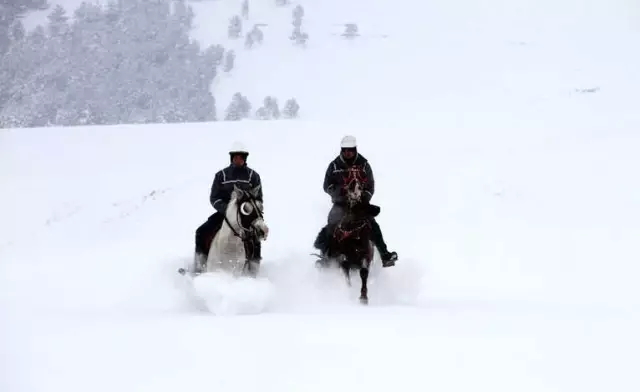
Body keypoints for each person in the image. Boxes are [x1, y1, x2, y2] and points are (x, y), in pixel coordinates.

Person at [313, 135, 398, 267]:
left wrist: (364, 198)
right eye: (345, 150)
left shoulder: (364, 165)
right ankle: (326, 258)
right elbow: (326, 185)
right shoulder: (334, 165)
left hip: (360, 204)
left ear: (355, 149)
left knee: (373, 225)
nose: (347, 152)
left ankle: (385, 256)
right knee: (331, 224)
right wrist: (338, 192)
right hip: (340, 204)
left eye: (350, 150)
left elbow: (370, 186)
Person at [193, 141, 263, 271]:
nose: (238, 159)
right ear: (231, 158)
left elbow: (258, 199)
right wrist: (228, 210)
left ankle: (254, 270)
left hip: (246, 216)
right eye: (236, 157)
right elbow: (214, 198)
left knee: (256, 237)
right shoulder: (221, 175)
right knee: (201, 232)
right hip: (223, 214)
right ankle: (199, 267)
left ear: (245, 158)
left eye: (241, 157)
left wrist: (249, 212)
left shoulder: (253, 176)